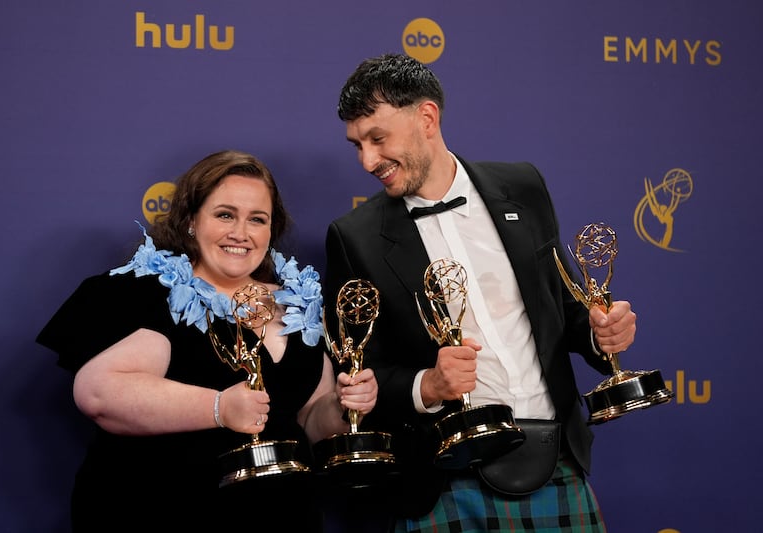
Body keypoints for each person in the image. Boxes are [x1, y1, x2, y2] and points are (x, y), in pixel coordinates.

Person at [322, 53, 638, 532]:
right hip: (445, 481)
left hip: (557, 462)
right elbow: (359, 376)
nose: (367, 160)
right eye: (357, 145)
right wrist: (428, 385)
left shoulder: (523, 187)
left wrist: (602, 333)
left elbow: (566, 309)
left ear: (427, 117)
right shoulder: (355, 237)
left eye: (378, 138)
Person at [37, 149, 379, 532]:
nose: (241, 233)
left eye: (257, 220)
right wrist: (218, 407)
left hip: (282, 515)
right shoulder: (150, 291)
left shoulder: (298, 301)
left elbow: (312, 418)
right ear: (190, 221)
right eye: (225, 215)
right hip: (162, 511)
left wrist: (345, 405)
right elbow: (99, 394)